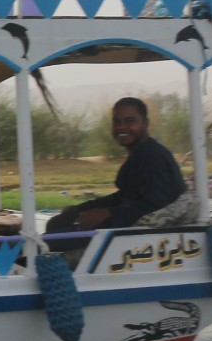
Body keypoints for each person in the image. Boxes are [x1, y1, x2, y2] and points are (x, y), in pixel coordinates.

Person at [43, 97, 187, 251]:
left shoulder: (152, 156)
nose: (122, 127)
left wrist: (108, 214)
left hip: (140, 234)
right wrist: (79, 209)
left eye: (130, 121)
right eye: (117, 121)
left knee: (49, 240)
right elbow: (123, 197)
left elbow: (155, 204)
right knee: (57, 223)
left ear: (145, 123)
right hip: (126, 222)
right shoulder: (140, 153)